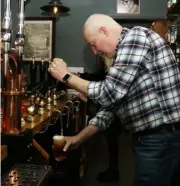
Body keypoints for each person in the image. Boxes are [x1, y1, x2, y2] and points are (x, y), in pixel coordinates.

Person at [48, 14, 180, 186]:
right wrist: (78, 139)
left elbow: (109, 93)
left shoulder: (135, 37)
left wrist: (65, 76)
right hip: (157, 137)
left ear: (104, 31)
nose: (95, 51)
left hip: (160, 137)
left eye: (93, 44)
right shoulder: (123, 57)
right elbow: (110, 107)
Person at [79, 56, 121, 182]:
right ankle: (113, 170)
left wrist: (71, 77)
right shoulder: (110, 67)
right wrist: (81, 76)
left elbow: (102, 83)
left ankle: (113, 171)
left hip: (114, 114)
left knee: (112, 143)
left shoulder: (113, 67)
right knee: (112, 144)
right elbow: (98, 77)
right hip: (113, 113)